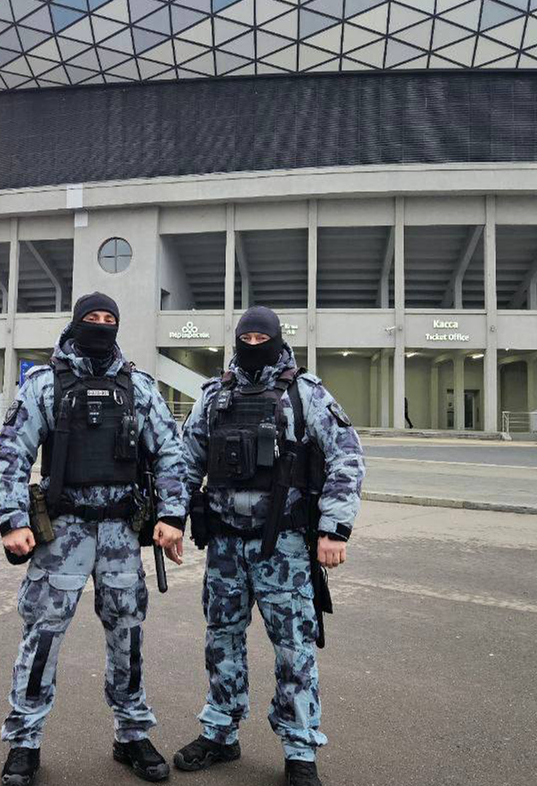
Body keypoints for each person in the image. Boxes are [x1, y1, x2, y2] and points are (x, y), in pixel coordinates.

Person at [0, 292, 187, 786]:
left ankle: (132, 734)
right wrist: (12, 520)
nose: (101, 325)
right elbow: (12, 454)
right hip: (61, 533)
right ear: (76, 323)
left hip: (122, 533)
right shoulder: (45, 384)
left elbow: (170, 453)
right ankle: (24, 742)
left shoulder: (138, 387)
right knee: (42, 637)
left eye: (108, 319)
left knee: (128, 635)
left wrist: (172, 515)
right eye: (92, 318)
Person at [171, 306, 365, 786]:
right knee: (221, 639)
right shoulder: (214, 396)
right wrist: (172, 518)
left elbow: (347, 457)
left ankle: (300, 750)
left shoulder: (305, 393)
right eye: (247, 337)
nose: (254, 345)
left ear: (277, 340)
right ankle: (220, 732)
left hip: (285, 547)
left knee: (294, 648)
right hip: (224, 548)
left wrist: (334, 528)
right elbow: (185, 461)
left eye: (263, 337)